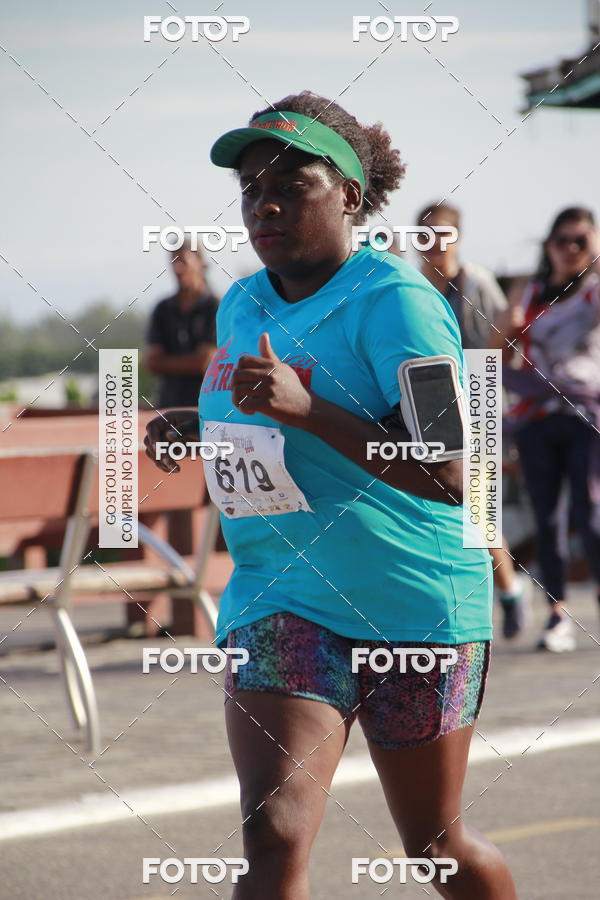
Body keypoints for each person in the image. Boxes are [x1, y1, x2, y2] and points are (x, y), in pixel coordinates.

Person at [145, 91, 516, 899]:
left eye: (291, 182)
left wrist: (306, 410)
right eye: (249, 187)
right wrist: (190, 421)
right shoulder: (242, 300)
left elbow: (452, 471)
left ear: (348, 195)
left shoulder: (401, 303)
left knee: (435, 844)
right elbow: (258, 412)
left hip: (411, 604)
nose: (264, 202)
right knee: (273, 835)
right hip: (283, 596)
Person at [416, 201, 529, 640]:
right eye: (425, 234)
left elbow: (505, 344)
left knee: (478, 510)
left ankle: (510, 591)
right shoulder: (413, 286)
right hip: (429, 405)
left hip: (478, 395)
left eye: (443, 233)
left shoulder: (476, 283)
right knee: (437, 508)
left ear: (458, 238)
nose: (434, 243)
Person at [492, 206, 600, 652]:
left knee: (589, 511)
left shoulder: (593, 293)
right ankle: (556, 614)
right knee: (547, 518)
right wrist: (508, 324)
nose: (571, 249)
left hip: (586, 416)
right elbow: (492, 354)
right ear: (548, 244)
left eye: (582, 241)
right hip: (535, 416)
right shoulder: (530, 291)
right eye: (563, 240)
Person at [145, 240, 218, 408]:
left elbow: (205, 363)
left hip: (206, 408)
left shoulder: (215, 307)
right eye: (173, 262)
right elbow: (152, 363)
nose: (177, 268)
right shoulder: (162, 309)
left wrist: (166, 363)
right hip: (167, 406)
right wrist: (193, 361)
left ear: (200, 263)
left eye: (183, 261)